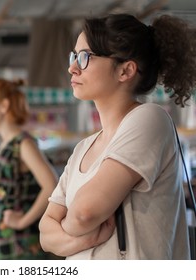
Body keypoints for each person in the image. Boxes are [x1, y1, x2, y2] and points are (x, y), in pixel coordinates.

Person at [39, 13, 196, 259]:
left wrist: (68, 229)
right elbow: (45, 235)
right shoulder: (83, 148)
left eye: (84, 57)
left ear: (125, 71)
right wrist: (87, 237)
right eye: (74, 56)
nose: (72, 67)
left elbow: (84, 213)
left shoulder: (149, 119)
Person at [0, 78, 58, 259]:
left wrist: (22, 221)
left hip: (23, 248)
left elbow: (52, 186)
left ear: (4, 105)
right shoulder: (4, 146)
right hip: (3, 245)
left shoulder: (23, 144)